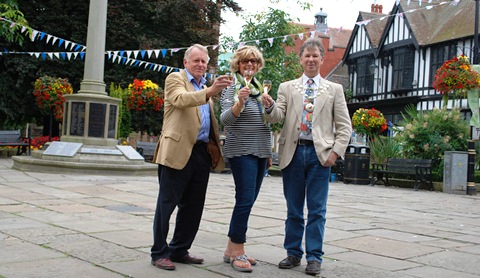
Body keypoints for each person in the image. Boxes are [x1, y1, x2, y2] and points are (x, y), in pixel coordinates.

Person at [261, 37, 352, 276]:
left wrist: (334, 153)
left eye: (315, 55)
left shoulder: (334, 90)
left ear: (321, 59)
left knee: (317, 210)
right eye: (307, 55)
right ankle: (293, 253)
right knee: (293, 209)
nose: (311, 59)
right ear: (300, 59)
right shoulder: (287, 87)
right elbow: (276, 117)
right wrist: (269, 106)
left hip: (319, 155)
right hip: (292, 152)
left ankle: (314, 257)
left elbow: (345, 127)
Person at [150, 44, 231, 271]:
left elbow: (208, 122)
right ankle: (159, 252)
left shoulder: (206, 87)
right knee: (167, 204)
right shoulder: (175, 79)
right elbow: (180, 99)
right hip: (177, 150)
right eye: (196, 61)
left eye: (204, 61)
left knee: (193, 206)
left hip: (201, 153)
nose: (200, 65)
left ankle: (179, 249)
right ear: (185, 63)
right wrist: (210, 91)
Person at [220, 45, 272, 273]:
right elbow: (225, 120)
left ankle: (230, 249)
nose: (249, 65)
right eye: (245, 62)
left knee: (248, 200)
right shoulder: (231, 87)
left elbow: (266, 124)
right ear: (238, 65)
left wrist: (269, 152)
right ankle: (239, 252)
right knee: (244, 199)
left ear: (258, 65)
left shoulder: (261, 89)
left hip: (260, 151)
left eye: (253, 62)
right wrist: (239, 103)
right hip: (241, 151)